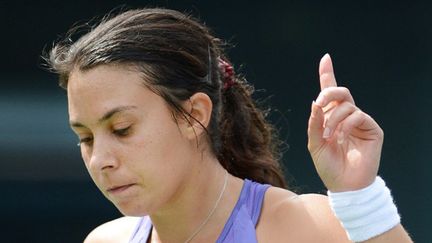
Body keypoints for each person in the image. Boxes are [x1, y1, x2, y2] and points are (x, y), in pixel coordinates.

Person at [44, 8, 413, 243]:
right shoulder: (105, 240)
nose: (99, 160)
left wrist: (361, 199)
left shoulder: (302, 227)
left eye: (122, 128)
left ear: (195, 115)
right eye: (85, 137)